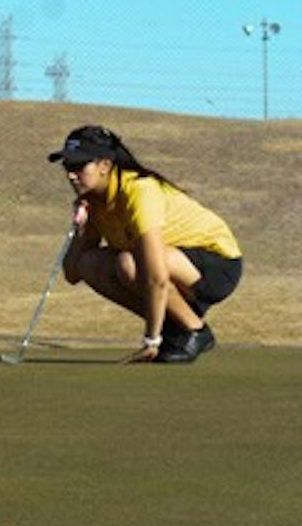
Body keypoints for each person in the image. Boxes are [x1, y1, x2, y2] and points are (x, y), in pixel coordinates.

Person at [48, 125, 242, 364]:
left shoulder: (139, 190)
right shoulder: (94, 203)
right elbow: (74, 273)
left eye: (79, 166)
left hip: (217, 264)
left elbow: (156, 277)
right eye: (67, 166)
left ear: (105, 165)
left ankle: (196, 331)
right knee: (91, 263)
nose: (71, 174)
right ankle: (176, 326)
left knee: (129, 262)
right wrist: (82, 228)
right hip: (168, 265)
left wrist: (151, 339)